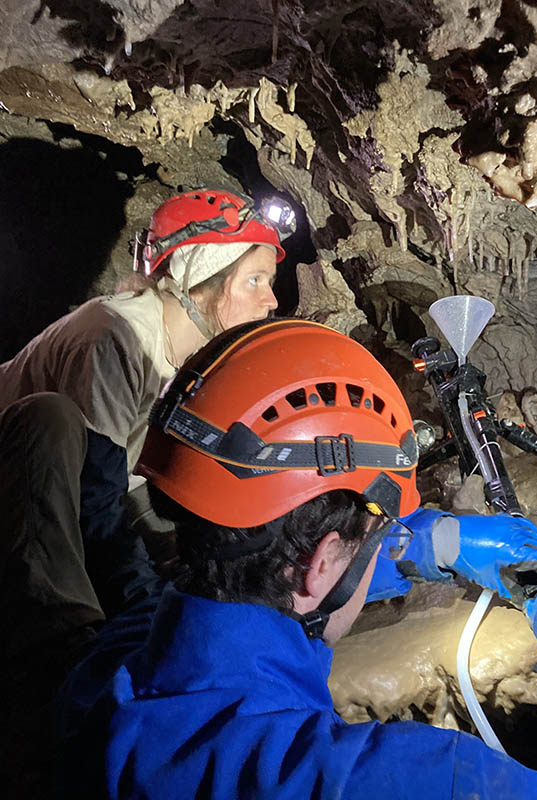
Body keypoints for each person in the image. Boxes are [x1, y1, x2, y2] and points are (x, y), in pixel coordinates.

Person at [56, 319, 537, 799]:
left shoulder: (107, 671)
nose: (386, 538)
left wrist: (427, 546)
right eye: (376, 531)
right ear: (320, 563)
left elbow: (278, 575)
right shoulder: (392, 779)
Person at [0, 188, 293, 795]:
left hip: (68, 505)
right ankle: (56, 642)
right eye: (256, 280)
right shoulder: (115, 334)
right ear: (202, 281)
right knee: (53, 418)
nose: (272, 299)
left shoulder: (190, 364)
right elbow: (97, 497)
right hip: (20, 492)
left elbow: (152, 501)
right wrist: (145, 624)